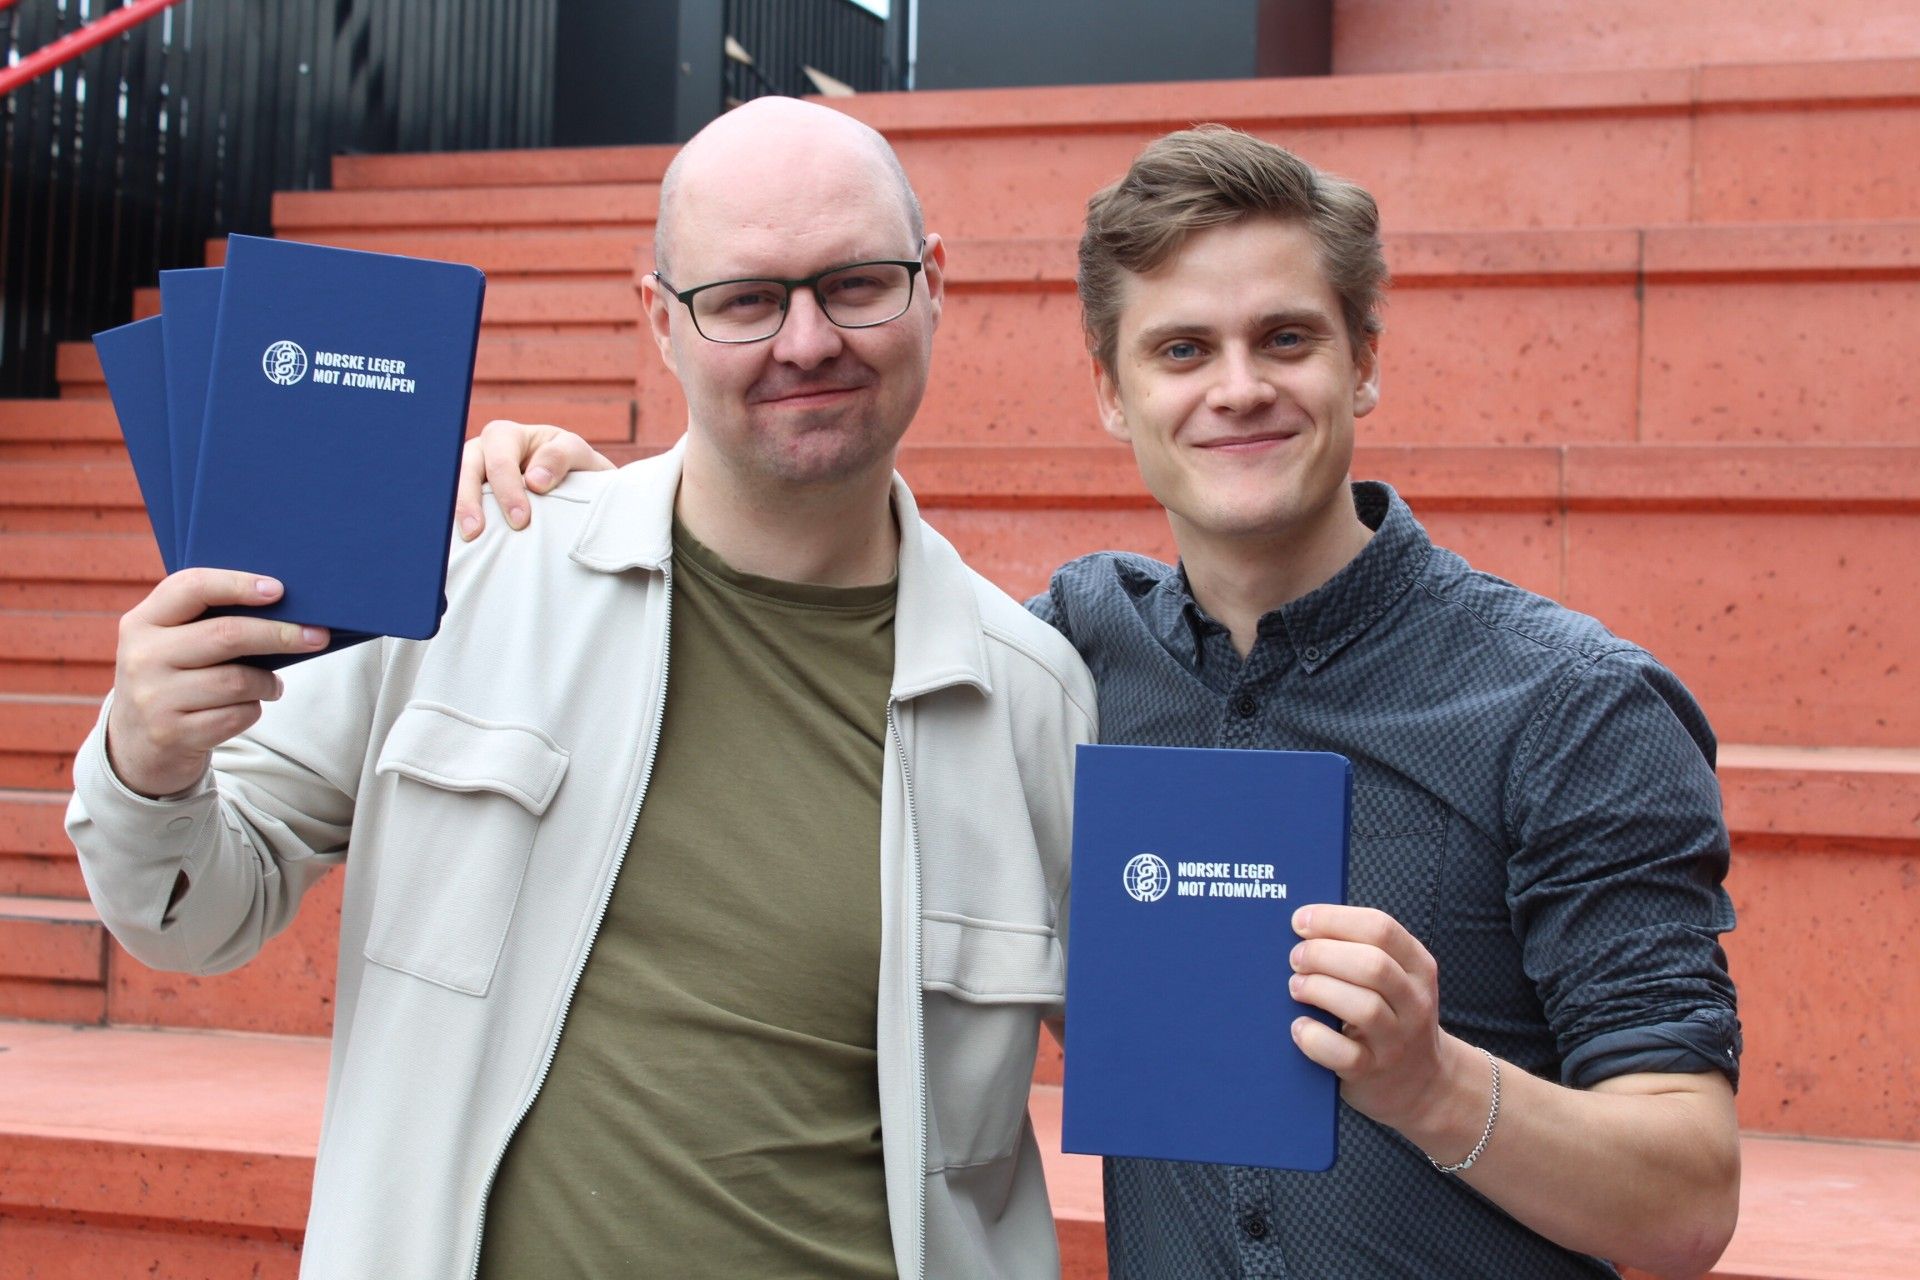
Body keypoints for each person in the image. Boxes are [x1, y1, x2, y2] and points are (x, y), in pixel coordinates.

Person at [475, 125, 1743, 1278]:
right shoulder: (1065, 661)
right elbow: (804, 606)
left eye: (1286, 338)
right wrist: (600, 506)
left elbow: (1687, 1201)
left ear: (1363, 361)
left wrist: (1436, 1084)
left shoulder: (1574, 706)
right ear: (1109, 389)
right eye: (1181, 349)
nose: (1236, 387)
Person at [67, 97, 1095, 1280]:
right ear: (661, 320)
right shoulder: (467, 563)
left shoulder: (1033, 700)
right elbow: (195, 909)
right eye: (746, 299)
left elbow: (1176, 1085)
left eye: (857, 283)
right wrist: (150, 760)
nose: (809, 340)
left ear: (935, 285)